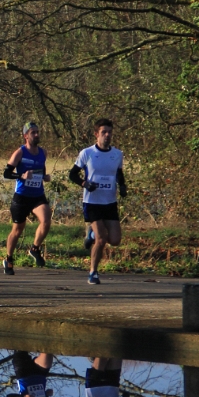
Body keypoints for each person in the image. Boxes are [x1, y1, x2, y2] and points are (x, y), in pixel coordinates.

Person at [69, 118, 127, 285]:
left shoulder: (117, 154)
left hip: (110, 202)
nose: (107, 135)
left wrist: (123, 186)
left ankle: (92, 233)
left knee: (115, 240)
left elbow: (119, 174)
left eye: (109, 132)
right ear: (96, 134)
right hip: (92, 202)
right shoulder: (87, 153)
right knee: (101, 239)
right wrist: (85, 184)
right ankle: (93, 272)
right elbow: (72, 174)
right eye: (103, 132)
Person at [2, 121, 52, 275]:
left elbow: (41, 169)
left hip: (37, 195)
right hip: (21, 197)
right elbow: (6, 173)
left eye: (37, 132)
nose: (36, 135)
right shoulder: (20, 152)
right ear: (26, 136)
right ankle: (8, 259)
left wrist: (45, 177)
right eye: (33, 133)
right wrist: (21, 175)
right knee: (17, 230)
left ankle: (35, 249)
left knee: (46, 220)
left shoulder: (43, 153)